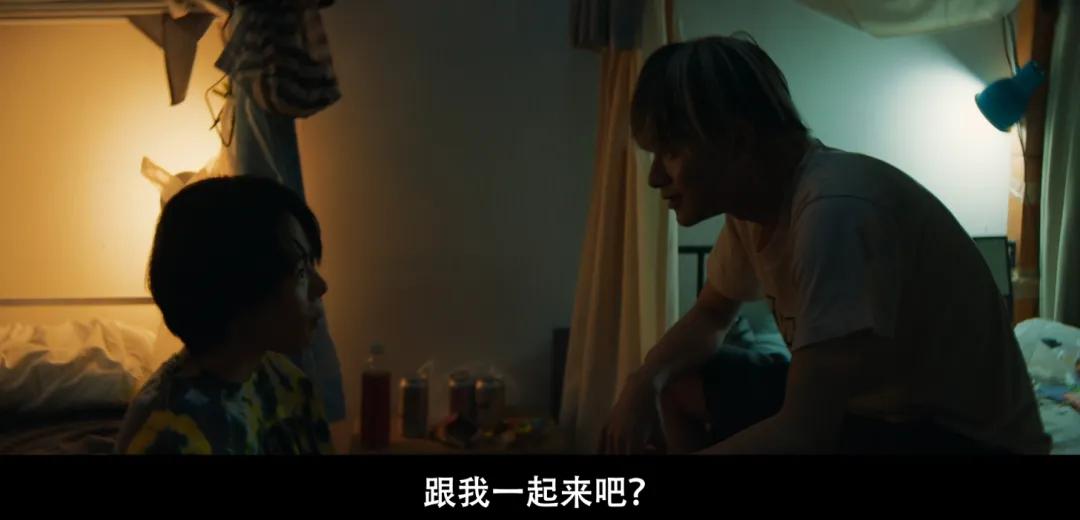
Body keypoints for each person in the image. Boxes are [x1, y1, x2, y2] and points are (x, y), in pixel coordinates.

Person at [600, 35, 1050, 454]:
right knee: (679, 377)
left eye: (670, 152)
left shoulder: (835, 212)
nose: (654, 177)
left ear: (737, 140)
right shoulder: (754, 211)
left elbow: (804, 433)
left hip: (962, 436)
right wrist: (645, 379)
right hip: (872, 408)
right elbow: (712, 313)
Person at [116, 176, 333, 454]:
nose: (321, 287)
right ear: (240, 288)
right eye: (301, 273)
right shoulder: (170, 434)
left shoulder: (282, 379)